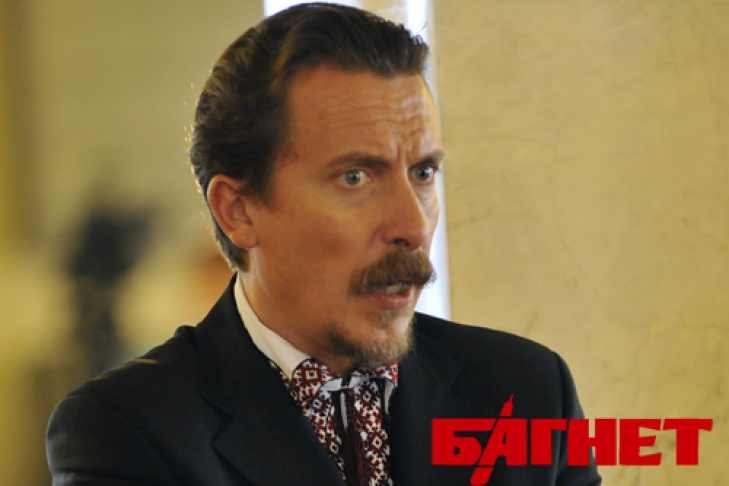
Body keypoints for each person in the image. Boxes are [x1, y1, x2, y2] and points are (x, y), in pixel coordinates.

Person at [46, 4, 601, 485]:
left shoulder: (526, 393)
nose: (413, 225)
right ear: (238, 211)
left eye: (423, 172)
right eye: (355, 177)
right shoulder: (129, 430)